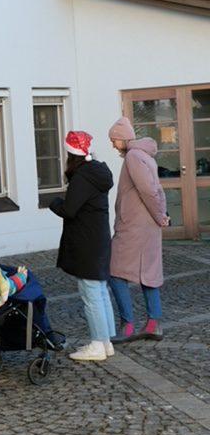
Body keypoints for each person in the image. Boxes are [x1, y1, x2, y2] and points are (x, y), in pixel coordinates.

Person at [50, 131, 116, 362]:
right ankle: (106, 342)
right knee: (100, 291)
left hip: (87, 243)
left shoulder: (82, 177)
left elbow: (69, 210)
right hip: (99, 239)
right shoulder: (97, 171)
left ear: (71, 154)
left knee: (91, 295)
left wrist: (54, 202)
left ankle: (97, 344)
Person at [108, 117, 169, 343]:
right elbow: (157, 190)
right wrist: (161, 215)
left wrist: (160, 215)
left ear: (123, 138)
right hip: (146, 225)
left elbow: (148, 190)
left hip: (134, 227)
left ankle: (128, 326)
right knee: (148, 274)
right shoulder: (144, 155)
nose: (113, 145)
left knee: (115, 273)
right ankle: (153, 324)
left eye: (114, 140)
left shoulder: (133, 156)